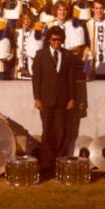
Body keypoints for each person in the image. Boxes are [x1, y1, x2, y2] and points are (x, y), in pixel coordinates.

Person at [31, 26, 78, 173]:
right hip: (45, 100)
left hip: (63, 100)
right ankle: (46, 164)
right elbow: (36, 78)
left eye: (59, 39)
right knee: (47, 131)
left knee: (61, 131)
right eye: (54, 39)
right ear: (49, 40)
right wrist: (37, 98)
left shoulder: (68, 56)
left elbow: (71, 79)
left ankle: (60, 163)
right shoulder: (41, 55)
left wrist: (72, 98)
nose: (57, 42)